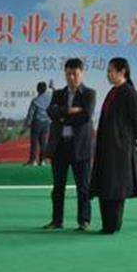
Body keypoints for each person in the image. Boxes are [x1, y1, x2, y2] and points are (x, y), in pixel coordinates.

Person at [90, 57, 137, 235]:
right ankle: (107, 224)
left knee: (116, 187)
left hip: (120, 149)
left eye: (111, 71)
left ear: (122, 72)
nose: (108, 74)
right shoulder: (113, 91)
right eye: (107, 71)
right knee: (105, 185)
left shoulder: (129, 92)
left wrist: (128, 139)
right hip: (106, 147)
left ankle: (113, 224)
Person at [43, 58, 96, 230]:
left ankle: (84, 221)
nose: (71, 77)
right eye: (68, 74)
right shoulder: (58, 94)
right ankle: (57, 221)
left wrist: (62, 116)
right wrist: (69, 111)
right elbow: (51, 112)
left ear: (82, 73)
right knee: (58, 187)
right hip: (60, 146)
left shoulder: (89, 93)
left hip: (80, 146)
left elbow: (85, 117)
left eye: (75, 74)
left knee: (83, 187)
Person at [23, 81, 51, 166]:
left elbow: (31, 114)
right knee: (44, 142)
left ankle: (33, 160)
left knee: (34, 142)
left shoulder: (35, 101)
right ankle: (42, 161)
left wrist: (27, 124)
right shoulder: (50, 99)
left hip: (37, 123)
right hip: (46, 123)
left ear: (37, 89)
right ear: (45, 89)